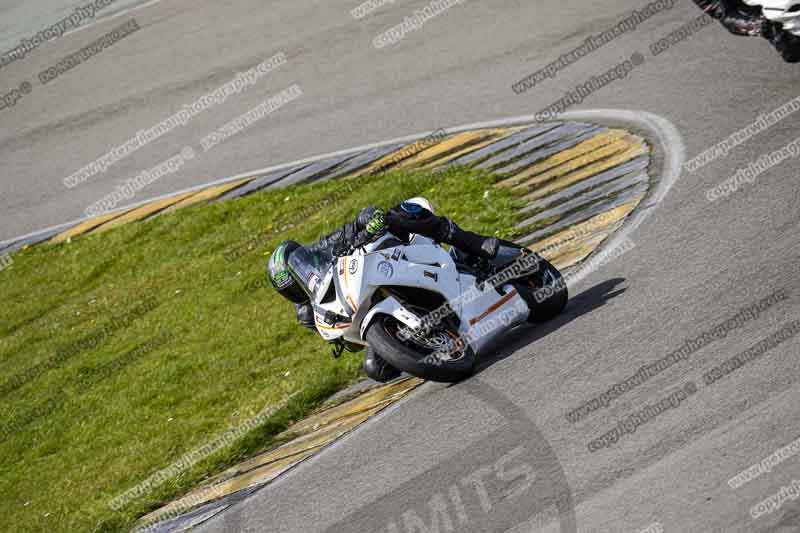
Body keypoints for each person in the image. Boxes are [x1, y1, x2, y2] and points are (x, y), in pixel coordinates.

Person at [267, 198, 501, 382]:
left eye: (299, 271)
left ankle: (470, 242)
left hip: (387, 262)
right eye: (294, 287)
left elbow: (358, 223)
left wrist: (368, 220)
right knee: (376, 369)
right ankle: (429, 341)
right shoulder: (310, 313)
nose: (303, 280)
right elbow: (349, 343)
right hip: (371, 312)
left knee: (397, 214)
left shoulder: (323, 248)